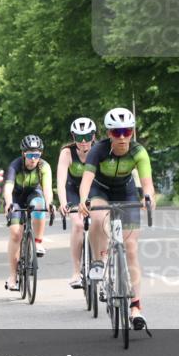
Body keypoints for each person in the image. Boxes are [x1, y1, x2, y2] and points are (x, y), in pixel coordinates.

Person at [78, 107, 155, 330]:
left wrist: (148, 197)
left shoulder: (139, 151)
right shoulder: (98, 151)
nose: (122, 137)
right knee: (98, 214)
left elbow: (147, 183)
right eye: (116, 132)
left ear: (132, 132)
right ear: (108, 134)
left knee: (131, 248)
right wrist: (84, 199)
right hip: (100, 190)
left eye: (127, 131)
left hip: (127, 192)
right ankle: (99, 260)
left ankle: (136, 308)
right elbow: (86, 180)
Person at [3, 135, 53, 291]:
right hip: (16, 198)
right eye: (30, 155)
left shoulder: (44, 167)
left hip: (34, 194)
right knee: (16, 234)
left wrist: (50, 203)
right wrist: (9, 203)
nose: (33, 159)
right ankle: (12, 276)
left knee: (39, 204)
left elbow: (47, 189)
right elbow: (8, 188)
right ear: (23, 153)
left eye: (37, 155)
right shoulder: (15, 166)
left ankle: (37, 242)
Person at [57, 117, 97, 289]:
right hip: (73, 190)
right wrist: (63, 202)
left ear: (93, 136)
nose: (83, 142)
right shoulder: (67, 153)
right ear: (73, 137)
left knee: (99, 223)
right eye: (79, 137)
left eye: (87, 136)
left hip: (94, 189)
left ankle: (100, 263)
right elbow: (60, 180)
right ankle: (75, 271)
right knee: (79, 225)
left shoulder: (100, 150)